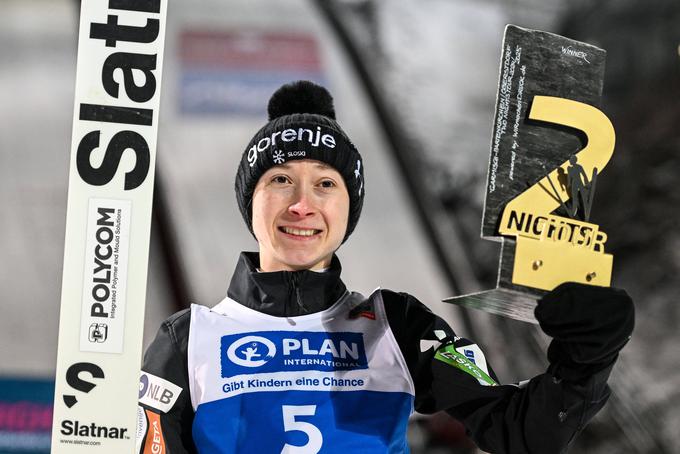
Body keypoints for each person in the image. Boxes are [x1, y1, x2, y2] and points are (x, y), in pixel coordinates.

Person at [135, 81, 634, 454]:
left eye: (326, 184)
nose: (302, 204)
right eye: (281, 179)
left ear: (349, 207)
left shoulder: (397, 324)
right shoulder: (187, 338)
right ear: (251, 201)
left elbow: (521, 432)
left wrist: (586, 359)